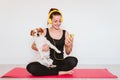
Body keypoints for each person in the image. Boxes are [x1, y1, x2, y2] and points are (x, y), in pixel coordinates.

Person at [26, 8, 78, 76]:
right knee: (31, 67)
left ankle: (50, 71)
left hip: (60, 63)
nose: (58, 23)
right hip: (46, 63)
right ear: (50, 21)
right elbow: (33, 46)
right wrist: (43, 48)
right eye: (55, 21)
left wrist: (70, 45)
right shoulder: (44, 31)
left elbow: (68, 52)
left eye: (60, 21)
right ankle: (59, 72)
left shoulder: (65, 33)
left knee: (73, 61)